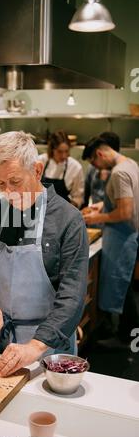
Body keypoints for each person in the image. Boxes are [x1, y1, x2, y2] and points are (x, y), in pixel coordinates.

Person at [0, 131, 89, 377]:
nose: (8, 192)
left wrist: (34, 346)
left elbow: (72, 296)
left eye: (15, 182)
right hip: (1, 346)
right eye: (1, 184)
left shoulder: (68, 220)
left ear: (37, 171)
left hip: (50, 351)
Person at [82, 137, 139, 346]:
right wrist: (101, 206)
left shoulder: (118, 173)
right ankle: (127, 333)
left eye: (93, 163)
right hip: (129, 235)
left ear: (99, 154)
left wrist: (96, 218)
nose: (96, 168)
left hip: (123, 236)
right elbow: (123, 201)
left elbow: (125, 211)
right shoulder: (130, 163)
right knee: (126, 286)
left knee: (121, 287)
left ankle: (125, 338)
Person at [38, 130, 84, 208]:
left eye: (66, 151)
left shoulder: (75, 167)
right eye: (59, 152)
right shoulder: (40, 161)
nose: (64, 156)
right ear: (52, 149)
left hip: (63, 212)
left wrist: (67, 212)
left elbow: (78, 197)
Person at [83, 132, 121, 209]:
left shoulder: (119, 172)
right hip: (95, 215)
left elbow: (122, 208)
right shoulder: (92, 168)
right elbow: (86, 194)